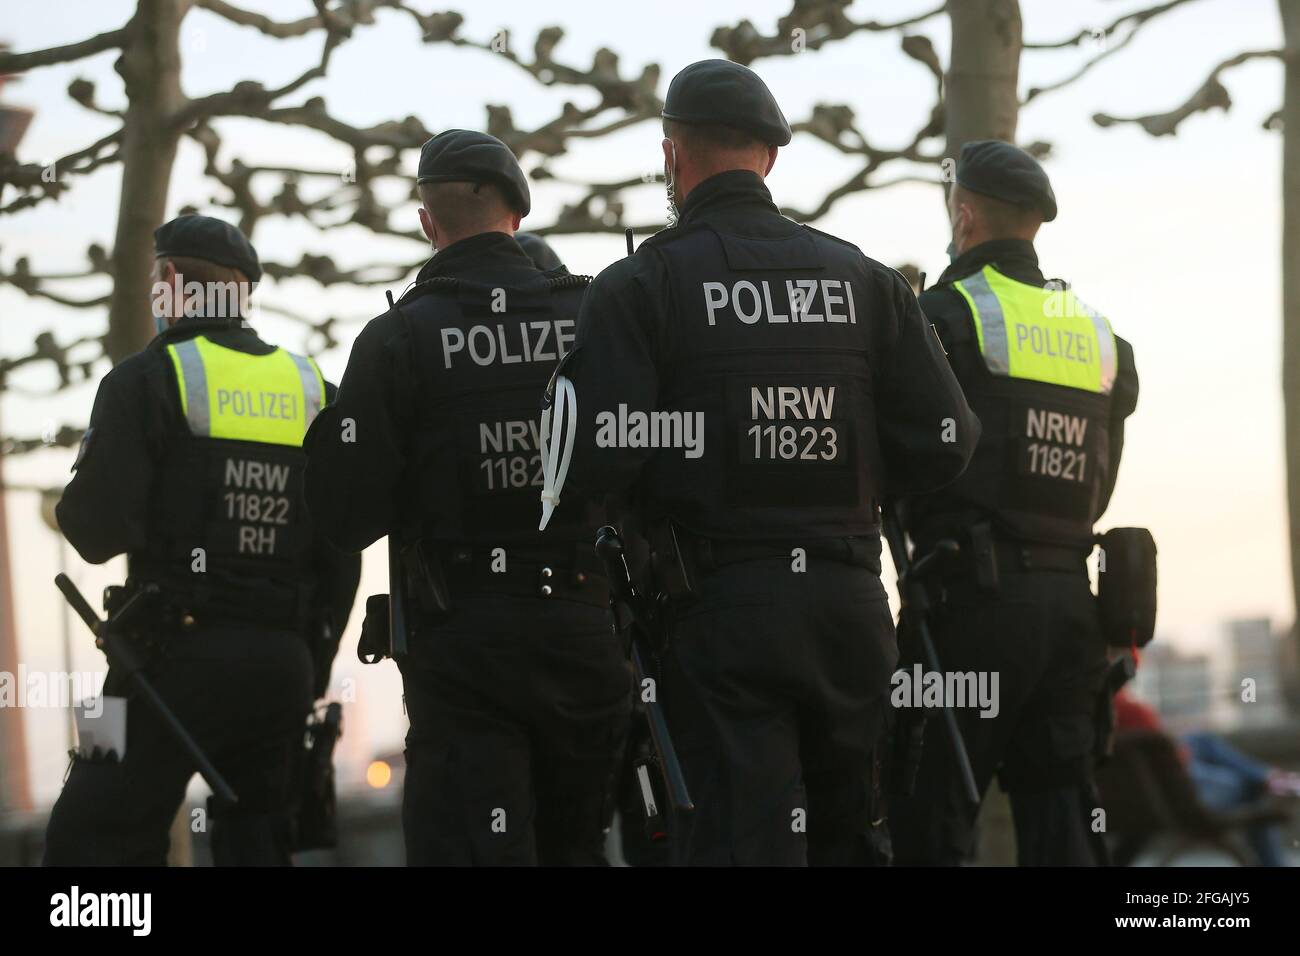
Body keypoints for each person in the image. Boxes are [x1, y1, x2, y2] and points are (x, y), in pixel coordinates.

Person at [544, 59, 979, 866]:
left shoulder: (642, 285)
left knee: (743, 844)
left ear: (671, 154)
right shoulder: (866, 280)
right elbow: (949, 439)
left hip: (718, 615)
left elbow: (588, 458)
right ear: (770, 157)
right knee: (851, 840)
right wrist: (853, 474)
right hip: (850, 608)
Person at [302, 130, 631, 866]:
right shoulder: (595, 316)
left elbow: (341, 515)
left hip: (463, 646)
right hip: (589, 631)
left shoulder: (397, 339)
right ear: (519, 212)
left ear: (427, 222)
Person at [46, 214, 360, 866]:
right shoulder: (314, 389)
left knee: (90, 840)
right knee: (258, 843)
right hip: (282, 666)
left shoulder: (143, 380)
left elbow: (94, 532)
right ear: (242, 294)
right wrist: (310, 665)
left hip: (158, 664)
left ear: (165, 281)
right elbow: (343, 552)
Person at [888, 140, 1141, 866]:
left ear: (964, 215)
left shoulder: (939, 316)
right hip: (1073, 612)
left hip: (967, 607)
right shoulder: (1099, 336)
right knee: (1063, 824)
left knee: (926, 815)